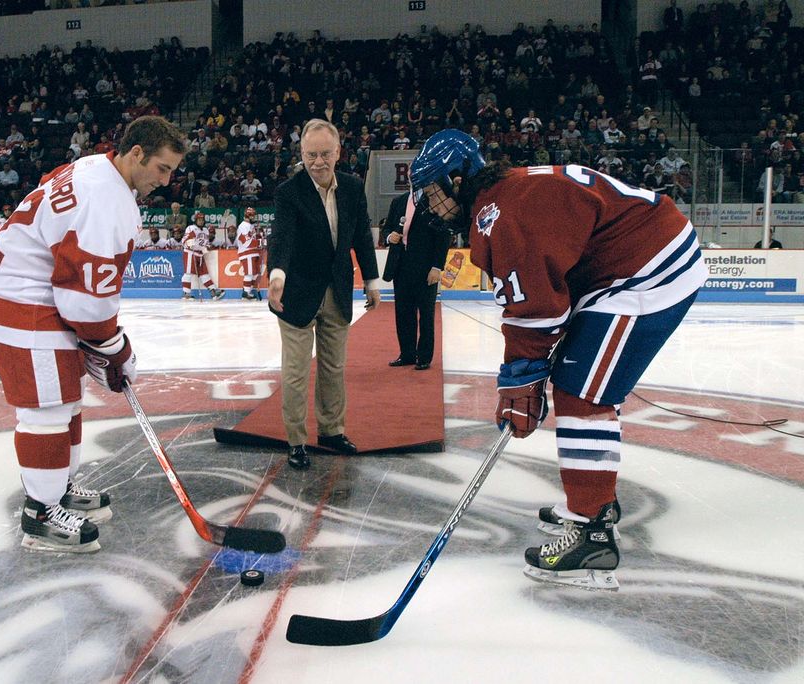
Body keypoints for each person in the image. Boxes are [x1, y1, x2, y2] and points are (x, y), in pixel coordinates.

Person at [408, 129, 706, 589]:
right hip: (628, 265)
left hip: (647, 272)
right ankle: (594, 500)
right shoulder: (504, 197)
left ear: (456, 180)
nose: (429, 206)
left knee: (581, 391)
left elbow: (538, 310)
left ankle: (592, 535)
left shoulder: (500, 215)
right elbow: (545, 297)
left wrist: (521, 381)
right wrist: (522, 375)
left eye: (431, 192)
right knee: (577, 381)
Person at [0, 115, 187, 553]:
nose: (165, 181)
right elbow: (85, 300)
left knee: (66, 398)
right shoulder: (105, 199)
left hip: (28, 292)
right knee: (46, 409)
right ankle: (41, 513)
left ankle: (59, 488)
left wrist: (105, 346)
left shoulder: (94, 169)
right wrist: (112, 348)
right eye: (162, 169)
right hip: (21, 301)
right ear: (136, 154)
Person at [267, 119, 381, 470]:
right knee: (297, 372)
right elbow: (282, 236)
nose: (317, 162)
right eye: (310, 154)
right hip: (296, 293)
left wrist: (372, 280)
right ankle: (296, 441)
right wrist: (277, 272)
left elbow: (361, 234)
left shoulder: (351, 187)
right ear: (301, 154)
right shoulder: (289, 192)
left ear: (338, 153)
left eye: (324, 154)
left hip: (338, 290)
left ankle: (331, 430)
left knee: (334, 367)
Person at [381, 190, 452, 371]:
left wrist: (437, 267)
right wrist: (390, 237)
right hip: (400, 265)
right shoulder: (399, 201)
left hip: (426, 267)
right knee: (403, 313)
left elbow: (443, 235)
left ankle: (424, 357)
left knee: (426, 314)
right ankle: (407, 354)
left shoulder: (435, 200)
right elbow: (387, 228)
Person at [180, 211, 225, 300]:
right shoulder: (191, 228)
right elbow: (184, 240)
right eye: (199, 220)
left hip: (200, 255)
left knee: (204, 274)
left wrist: (206, 248)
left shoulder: (206, 230)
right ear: (196, 220)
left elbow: (206, 243)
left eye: (202, 220)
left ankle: (213, 292)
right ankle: (186, 294)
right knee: (188, 273)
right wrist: (189, 242)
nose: (200, 221)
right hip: (190, 253)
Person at [236, 207, 264, 300]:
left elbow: (253, 239)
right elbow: (246, 242)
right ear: (249, 216)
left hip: (253, 252)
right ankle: (246, 293)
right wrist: (260, 242)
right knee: (249, 273)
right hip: (246, 252)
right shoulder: (243, 226)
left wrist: (260, 236)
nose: (254, 218)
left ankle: (247, 291)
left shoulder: (250, 226)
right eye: (253, 216)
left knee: (255, 274)